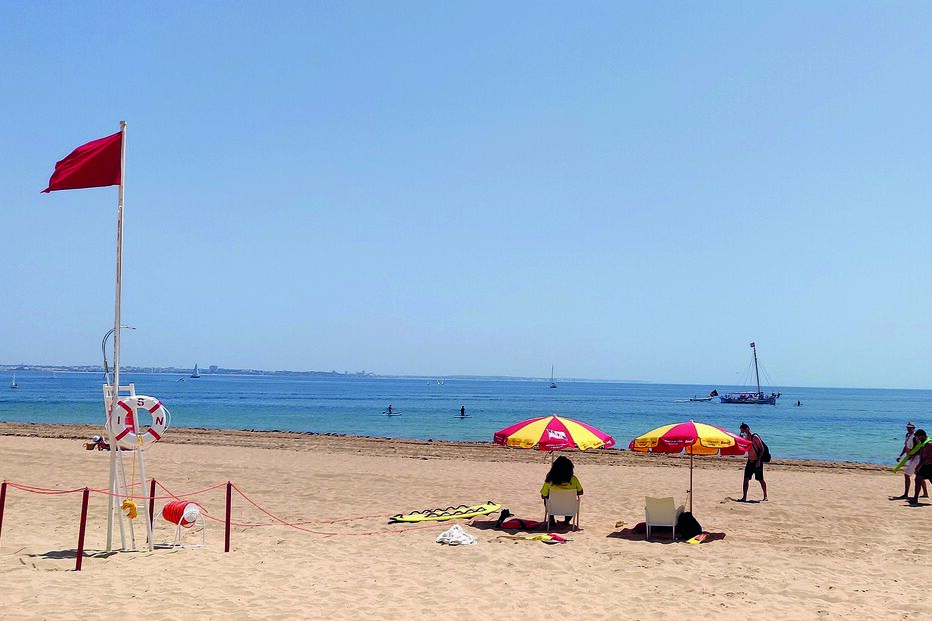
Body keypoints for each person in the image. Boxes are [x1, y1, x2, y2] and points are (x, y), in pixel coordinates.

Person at [540, 455, 583, 527]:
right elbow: (581, 492)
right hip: (569, 508)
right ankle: (566, 521)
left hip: (553, 508)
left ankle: (552, 520)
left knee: (547, 498)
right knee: (573, 500)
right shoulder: (574, 479)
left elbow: (543, 495)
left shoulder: (550, 480)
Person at [896, 422, 928, 499]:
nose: (909, 429)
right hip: (910, 458)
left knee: (907, 474)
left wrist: (913, 455)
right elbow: (906, 447)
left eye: (911, 428)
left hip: (916, 458)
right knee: (919, 475)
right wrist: (900, 456)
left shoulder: (915, 437)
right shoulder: (907, 436)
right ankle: (925, 493)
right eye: (908, 427)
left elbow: (920, 447)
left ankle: (906, 494)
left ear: (914, 428)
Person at [738, 423, 767, 502]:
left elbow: (762, 449)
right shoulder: (746, 438)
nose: (743, 433)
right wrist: (740, 437)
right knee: (746, 479)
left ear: (747, 429)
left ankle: (765, 496)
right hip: (749, 461)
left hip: (757, 462)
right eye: (741, 431)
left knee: (760, 479)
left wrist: (758, 460)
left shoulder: (755, 437)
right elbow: (743, 448)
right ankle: (744, 497)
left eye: (743, 431)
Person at [910, 429, 932, 505]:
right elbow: (921, 454)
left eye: (919, 438)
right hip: (924, 465)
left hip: (929, 466)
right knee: (917, 480)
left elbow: (929, 457)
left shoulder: (929, 444)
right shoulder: (923, 444)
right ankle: (915, 499)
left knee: (919, 480)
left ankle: (915, 499)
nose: (918, 439)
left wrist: (919, 465)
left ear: (922, 436)